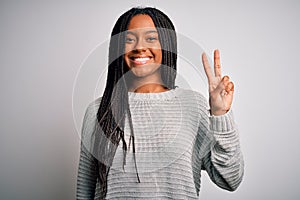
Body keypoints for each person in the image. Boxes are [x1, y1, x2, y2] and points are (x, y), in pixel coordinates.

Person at [76, 7, 244, 199]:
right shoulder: (98, 111)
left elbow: (230, 180)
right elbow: (84, 191)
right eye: (129, 39)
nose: (139, 47)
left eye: (151, 38)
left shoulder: (192, 106)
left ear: (166, 45)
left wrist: (221, 114)